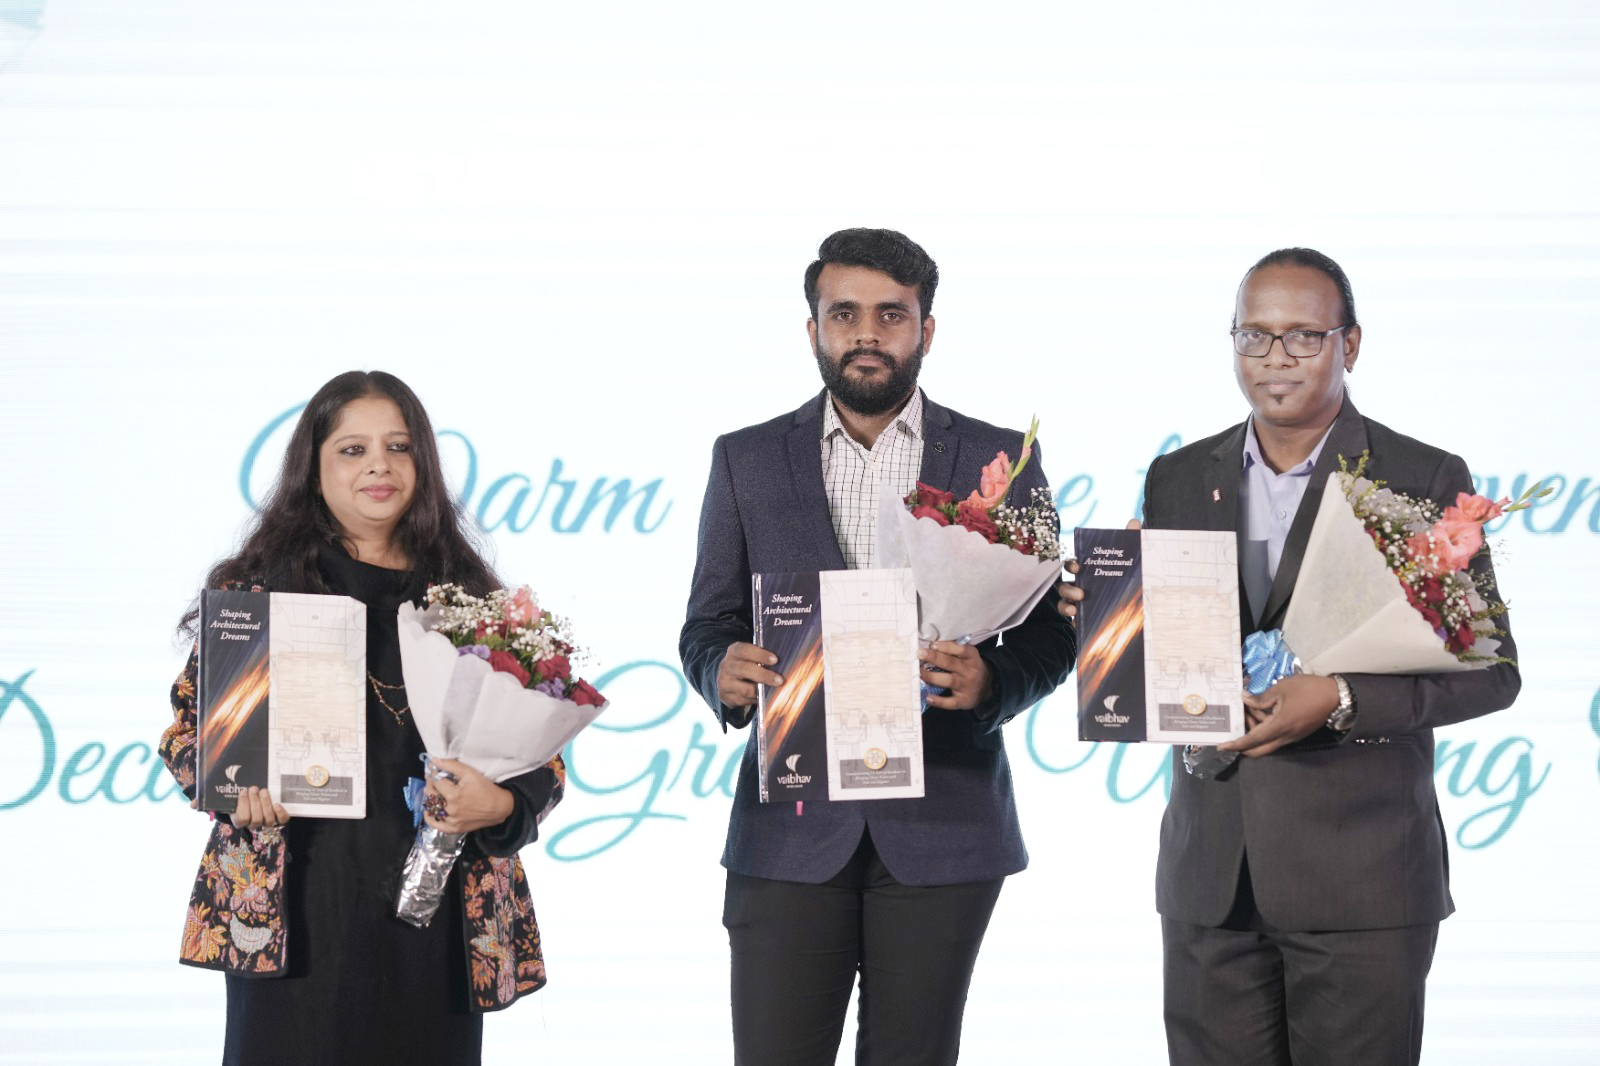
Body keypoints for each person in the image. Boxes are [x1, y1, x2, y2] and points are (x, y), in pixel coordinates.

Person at [1058, 248, 1521, 1066]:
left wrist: (1340, 696)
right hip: (1210, 878)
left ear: (1351, 344)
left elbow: (1492, 673)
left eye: (1304, 336)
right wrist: (1108, 617)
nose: (1276, 358)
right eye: (1255, 335)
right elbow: (1180, 653)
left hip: (1362, 882)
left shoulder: (1419, 475)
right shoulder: (1177, 475)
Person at [679, 228, 1077, 1065]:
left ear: (926, 330)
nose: (867, 333)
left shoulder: (1002, 458)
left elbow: (1052, 629)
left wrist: (992, 679)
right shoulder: (746, 459)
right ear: (813, 329)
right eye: (845, 313)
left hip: (945, 820)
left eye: (891, 315)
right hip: (790, 825)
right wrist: (722, 671)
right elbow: (708, 623)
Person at [160, 370, 565, 1066]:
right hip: (294, 915)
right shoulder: (256, 596)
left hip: (437, 921)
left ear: (422, 464)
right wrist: (232, 790)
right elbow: (188, 736)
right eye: (353, 450)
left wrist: (500, 803)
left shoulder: (473, 604)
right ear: (312, 470)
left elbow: (542, 760)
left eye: (398, 447)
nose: (379, 465)